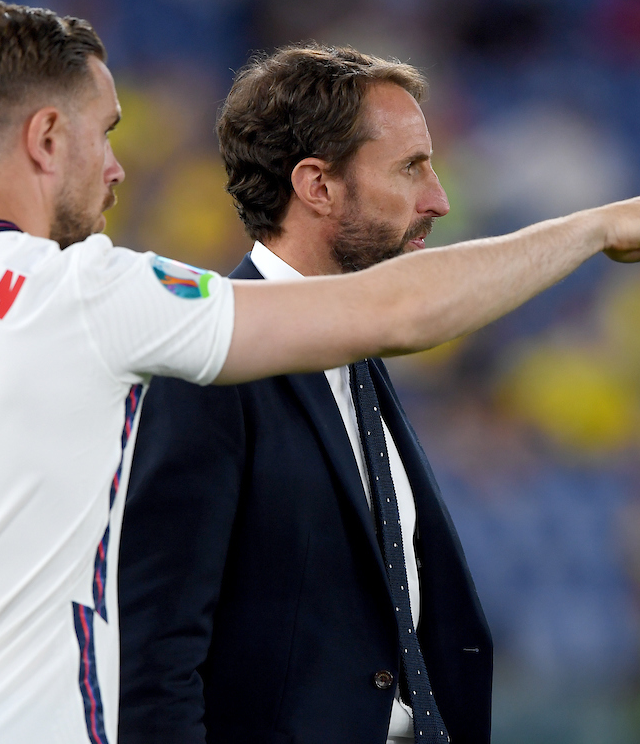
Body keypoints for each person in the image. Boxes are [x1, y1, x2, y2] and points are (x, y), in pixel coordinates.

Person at [0, 2, 640, 744]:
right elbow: (401, 309)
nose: (119, 165)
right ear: (46, 136)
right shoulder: (90, 293)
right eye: (104, 133)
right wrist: (598, 225)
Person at [117, 46, 487, 744]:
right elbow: (155, 655)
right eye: (411, 168)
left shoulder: (361, 357)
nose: (439, 199)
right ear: (317, 186)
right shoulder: (206, 362)